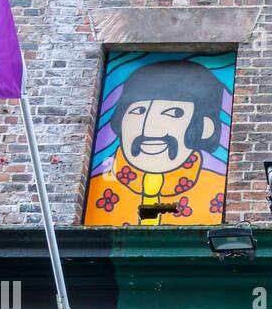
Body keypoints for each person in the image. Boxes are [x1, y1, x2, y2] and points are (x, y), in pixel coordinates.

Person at [85, 60, 227, 226]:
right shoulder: (97, 189)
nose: (149, 130)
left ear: (205, 128)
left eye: (173, 113)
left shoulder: (215, 193)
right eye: (138, 111)